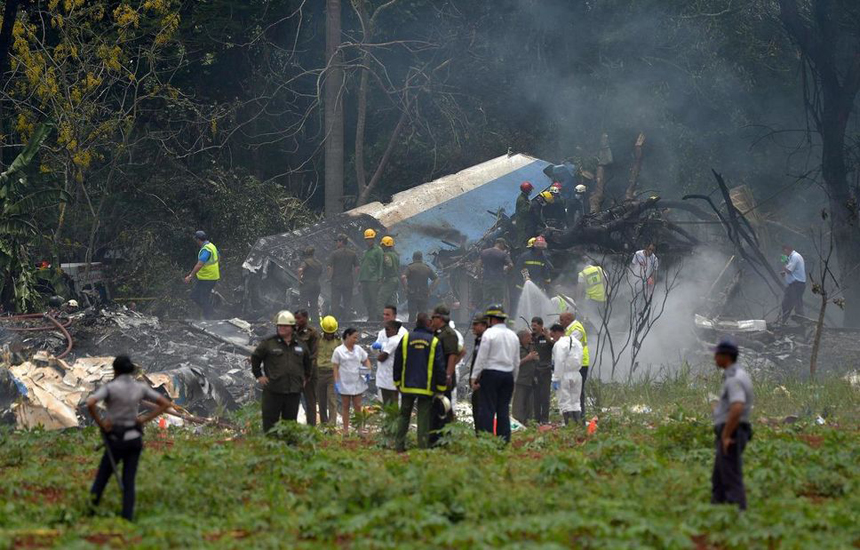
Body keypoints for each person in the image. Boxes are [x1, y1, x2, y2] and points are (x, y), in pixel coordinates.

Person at [86, 355, 171, 521]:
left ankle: (90, 512)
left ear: (115, 370)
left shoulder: (110, 388)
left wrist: (102, 424)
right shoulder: (140, 387)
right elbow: (165, 404)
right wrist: (143, 420)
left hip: (116, 439)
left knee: (103, 476)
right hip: (134, 438)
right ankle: (127, 517)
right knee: (129, 480)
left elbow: (90, 403)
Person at [392, 312, 447, 451]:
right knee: (423, 418)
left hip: (407, 386)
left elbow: (397, 362)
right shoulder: (433, 341)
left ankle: (399, 446)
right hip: (426, 387)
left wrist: (397, 381)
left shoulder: (406, 339)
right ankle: (422, 447)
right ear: (428, 323)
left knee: (404, 416)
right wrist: (441, 386)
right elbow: (440, 366)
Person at [251, 310, 312, 432]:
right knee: (270, 424)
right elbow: (255, 358)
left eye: (285, 326)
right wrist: (259, 376)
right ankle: (271, 449)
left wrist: (305, 378)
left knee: (289, 425)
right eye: (279, 326)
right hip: (273, 390)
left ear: (292, 327)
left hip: (293, 391)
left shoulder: (300, 344)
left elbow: (307, 362)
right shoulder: (269, 343)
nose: (281, 328)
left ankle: (289, 448)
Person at [711, 338, 754, 510]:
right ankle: (716, 509)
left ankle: (737, 511)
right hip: (733, 430)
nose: (714, 359)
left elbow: (737, 407)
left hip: (733, 431)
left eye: (717, 355)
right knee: (719, 476)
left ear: (726, 356)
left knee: (730, 474)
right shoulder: (737, 375)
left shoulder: (734, 379)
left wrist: (727, 435)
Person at [470, 305, 519, 442]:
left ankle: (487, 440)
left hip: (491, 374)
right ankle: (503, 441)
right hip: (507, 375)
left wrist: (474, 377)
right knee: (503, 409)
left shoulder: (489, 334)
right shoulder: (513, 335)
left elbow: (481, 358)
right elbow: (516, 361)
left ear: (491, 319)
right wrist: (514, 378)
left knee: (488, 408)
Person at [429, 305, 465, 442]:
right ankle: (436, 436)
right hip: (437, 375)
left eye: (434, 317)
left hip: (444, 376)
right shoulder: (438, 332)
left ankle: (445, 436)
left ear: (441, 318)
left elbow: (453, 355)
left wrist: (448, 373)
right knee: (436, 406)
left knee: (445, 406)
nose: (432, 320)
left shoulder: (448, 334)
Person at [332, 327, 371, 436]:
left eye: (357, 338)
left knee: (358, 406)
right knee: (345, 406)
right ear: (347, 336)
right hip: (344, 382)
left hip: (357, 381)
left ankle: (359, 430)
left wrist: (368, 371)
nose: (356, 340)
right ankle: (345, 430)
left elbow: (366, 360)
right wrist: (336, 382)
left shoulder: (358, 349)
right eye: (354, 337)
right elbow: (335, 367)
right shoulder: (338, 351)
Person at [372, 305, 408, 406]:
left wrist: (382, 347)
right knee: (383, 405)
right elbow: (376, 350)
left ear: (394, 315)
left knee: (395, 406)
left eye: (388, 314)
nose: (385, 317)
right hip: (383, 374)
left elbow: (399, 350)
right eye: (384, 314)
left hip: (396, 373)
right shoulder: (382, 332)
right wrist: (374, 348)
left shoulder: (402, 332)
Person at [549, 324, 583, 425]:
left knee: (565, 402)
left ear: (557, 332)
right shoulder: (577, 342)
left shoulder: (559, 344)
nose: (553, 338)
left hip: (564, 375)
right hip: (577, 374)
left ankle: (569, 426)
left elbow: (559, 361)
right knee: (576, 402)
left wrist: (556, 378)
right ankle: (578, 425)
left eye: (553, 335)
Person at [560, 310, 589, 421]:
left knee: (578, 392)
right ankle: (574, 418)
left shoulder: (577, 329)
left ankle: (580, 418)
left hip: (581, 364)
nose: (560, 322)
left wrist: (552, 339)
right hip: (574, 365)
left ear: (568, 319)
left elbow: (567, 346)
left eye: (562, 320)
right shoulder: (569, 329)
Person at [184, 230, 219, 319]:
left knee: (200, 297)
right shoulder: (212, 246)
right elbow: (219, 257)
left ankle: (210, 315)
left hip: (207, 278)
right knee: (196, 296)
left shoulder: (206, 249)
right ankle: (209, 314)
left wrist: (190, 276)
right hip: (210, 277)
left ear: (198, 239)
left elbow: (200, 264)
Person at [294, 310, 320, 426]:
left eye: (299, 318)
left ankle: (311, 428)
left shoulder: (312, 333)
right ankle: (291, 426)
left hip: (308, 373)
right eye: (295, 318)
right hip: (295, 372)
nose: (296, 321)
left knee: (310, 401)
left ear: (305, 318)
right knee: (292, 401)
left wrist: (307, 373)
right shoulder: (293, 332)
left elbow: (314, 355)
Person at [316, 315, 341, 425]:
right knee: (321, 400)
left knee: (332, 399)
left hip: (332, 374)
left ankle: (332, 424)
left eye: (331, 333)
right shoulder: (317, 340)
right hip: (319, 373)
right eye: (327, 333)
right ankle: (324, 422)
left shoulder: (338, 342)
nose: (329, 335)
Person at [328, 234, 359, 320]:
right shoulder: (352, 254)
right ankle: (347, 319)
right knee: (347, 301)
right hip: (348, 281)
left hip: (336, 282)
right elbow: (357, 268)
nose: (336, 243)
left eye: (337, 241)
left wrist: (330, 278)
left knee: (335, 301)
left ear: (341, 242)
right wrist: (355, 279)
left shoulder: (334, 254)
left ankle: (335, 319)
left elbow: (330, 268)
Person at [401, 250, 438, 322]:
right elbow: (436, 279)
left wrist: (406, 288)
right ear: (421, 258)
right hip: (424, 294)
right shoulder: (427, 268)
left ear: (413, 258)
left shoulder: (410, 267)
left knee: (412, 314)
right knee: (423, 314)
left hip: (412, 294)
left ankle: (411, 330)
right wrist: (431, 290)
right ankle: (423, 330)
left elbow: (403, 277)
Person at [530, 317, 554, 424]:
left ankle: (545, 419)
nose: (533, 327)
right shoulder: (531, 338)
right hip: (535, 370)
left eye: (535, 325)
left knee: (545, 396)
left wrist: (548, 338)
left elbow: (556, 346)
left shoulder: (547, 337)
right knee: (536, 396)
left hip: (546, 370)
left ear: (541, 326)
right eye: (532, 325)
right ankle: (536, 419)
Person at [511, 330, 538, 424]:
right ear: (522, 338)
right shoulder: (516, 349)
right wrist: (527, 358)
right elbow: (514, 364)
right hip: (520, 380)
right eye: (528, 337)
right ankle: (517, 422)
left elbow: (537, 359)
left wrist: (535, 358)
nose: (530, 338)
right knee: (519, 403)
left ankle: (528, 422)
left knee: (529, 404)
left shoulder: (531, 347)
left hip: (530, 380)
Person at [477, 238, 513, 308]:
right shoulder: (503, 254)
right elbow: (511, 265)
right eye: (504, 246)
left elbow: (478, 265)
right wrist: (505, 271)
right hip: (498, 281)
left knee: (486, 301)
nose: (504, 248)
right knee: (498, 301)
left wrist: (479, 276)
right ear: (501, 244)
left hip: (487, 280)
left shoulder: (484, 252)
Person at [468, 314, 488, 430]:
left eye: (476, 324)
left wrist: (480, 380)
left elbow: (485, 362)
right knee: (476, 410)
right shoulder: (478, 340)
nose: (473, 327)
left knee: (482, 412)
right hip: (476, 383)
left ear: (484, 325)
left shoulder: (486, 341)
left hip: (482, 384)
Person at [358, 229, 384, 320]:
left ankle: (375, 318)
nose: (368, 241)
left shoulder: (378, 251)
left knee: (374, 299)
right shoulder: (366, 252)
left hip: (373, 279)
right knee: (366, 299)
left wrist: (380, 278)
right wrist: (360, 280)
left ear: (373, 239)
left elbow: (381, 265)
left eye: (370, 239)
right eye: (367, 239)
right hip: (364, 279)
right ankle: (370, 316)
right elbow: (362, 267)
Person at [780, 244, 807, 322]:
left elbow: (789, 270)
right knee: (787, 304)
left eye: (784, 251)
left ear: (787, 250)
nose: (784, 254)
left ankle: (802, 324)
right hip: (794, 285)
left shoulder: (795, 256)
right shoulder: (791, 257)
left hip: (797, 285)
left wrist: (784, 261)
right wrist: (784, 273)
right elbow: (790, 271)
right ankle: (784, 322)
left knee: (796, 304)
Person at [577, 262, 607, 327]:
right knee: (601, 316)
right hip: (602, 298)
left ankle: (589, 329)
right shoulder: (599, 269)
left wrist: (578, 300)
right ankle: (601, 328)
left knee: (588, 315)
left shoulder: (582, 274)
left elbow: (580, 289)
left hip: (591, 299)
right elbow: (606, 282)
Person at [297, 247, 323, 322]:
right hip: (316, 285)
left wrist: (299, 280)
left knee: (303, 304)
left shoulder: (305, 262)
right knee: (314, 304)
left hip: (307, 285)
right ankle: (315, 322)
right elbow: (320, 273)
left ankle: (303, 321)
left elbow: (300, 270)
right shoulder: (318, 263)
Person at [378, 236, 401, 311]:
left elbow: (389, 265)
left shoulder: (386, 255)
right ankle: (391, 318)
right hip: (396, 280)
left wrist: (383, 277)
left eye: (382, 245)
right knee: (392, 301)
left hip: (389, 280)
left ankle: (379, 318)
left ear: (385, 245)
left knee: (381, 299)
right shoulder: (396, 255)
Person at [515, 181, 534, 247]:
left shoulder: (524, 197)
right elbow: (524, 211)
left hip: (523, 221)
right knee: (522, 237)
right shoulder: (522, 200)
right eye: (530, 190)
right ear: (527, 191)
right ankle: (519, 249)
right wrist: (531, 205)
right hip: (521, 222)